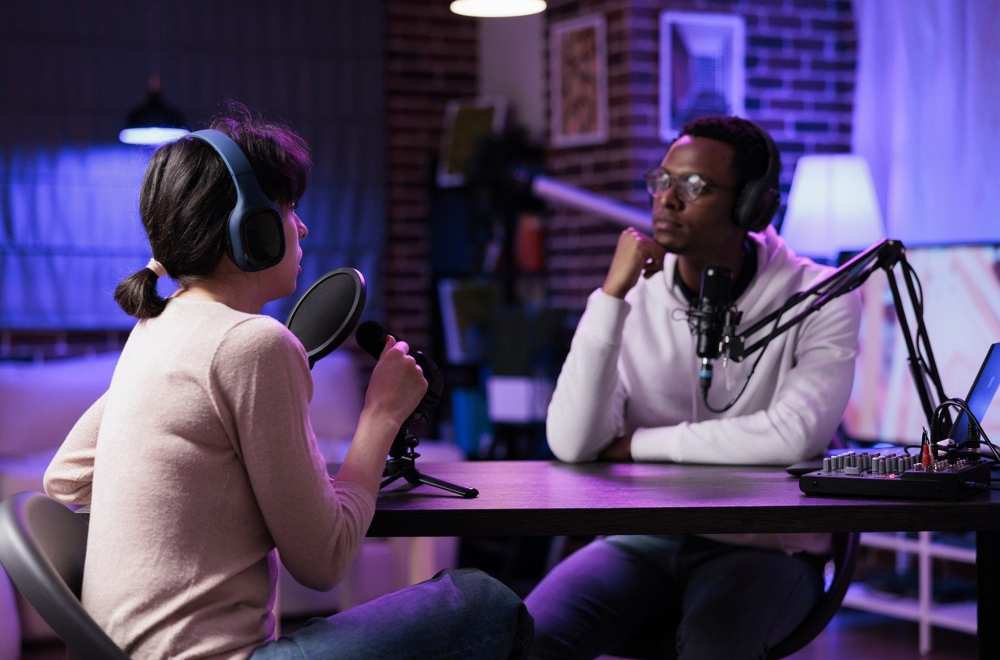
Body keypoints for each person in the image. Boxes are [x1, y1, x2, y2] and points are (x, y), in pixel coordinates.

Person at [43, 104, 532, 660]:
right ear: (249, 229)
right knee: (482, 602)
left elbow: (66, 479)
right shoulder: (256, 344)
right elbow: (324, 561)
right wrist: (382, 413)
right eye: (289, 207)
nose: (302, 226)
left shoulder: (159, 323)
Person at [526, 116, 861, 659]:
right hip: (643, 538)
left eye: (695, 187)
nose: (668, 200)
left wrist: (637, 444)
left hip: (766, 549)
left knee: (712, 647)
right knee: (527, 637)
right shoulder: (633, 298)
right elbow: (570, 443)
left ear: (751, 206)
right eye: (662, 181)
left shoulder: (822, 296)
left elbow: (793, 436)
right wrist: (610, 296)